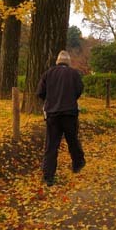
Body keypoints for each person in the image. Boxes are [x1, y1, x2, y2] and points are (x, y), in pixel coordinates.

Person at [37, 50, 85, 186]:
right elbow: (79, 90)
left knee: (51, 145)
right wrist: (71, 99)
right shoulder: (74, 74)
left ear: (57, 61)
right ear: (68, 62)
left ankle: (48, 176)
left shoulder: (48, 73)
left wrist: (49, 101)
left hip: (52, 114)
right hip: (70, 113)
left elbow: (40, 92)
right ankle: (78, 164)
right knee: (72, 140)